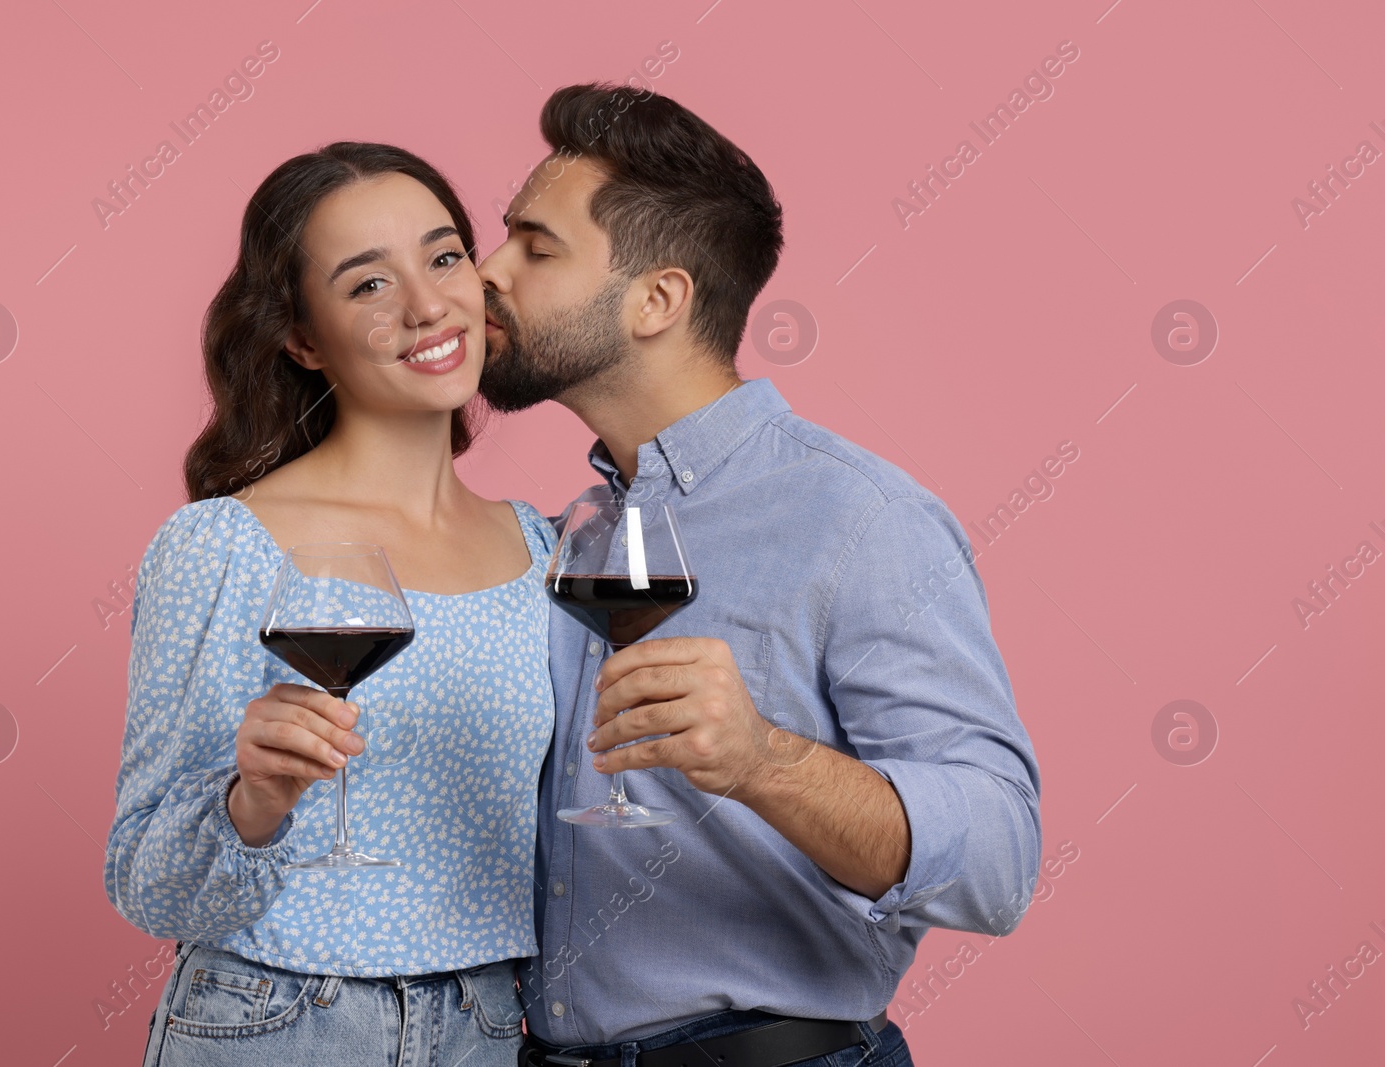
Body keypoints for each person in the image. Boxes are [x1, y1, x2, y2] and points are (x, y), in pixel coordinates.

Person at [477, 83, 1043, 1067]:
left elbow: (998, 859)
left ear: (656, 299)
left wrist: (760, 760)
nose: (488, 271)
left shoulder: (858, 517)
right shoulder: (576, 533)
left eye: (535, 246)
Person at [102, 142, 557, 1067]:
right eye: (366, 286)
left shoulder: (545, 545)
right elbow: (144, 880)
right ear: (303, 338)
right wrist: (254, 800)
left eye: (442, 258)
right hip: (281, 1023)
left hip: (492, 1027)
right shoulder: (226, 544)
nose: (427, 305)